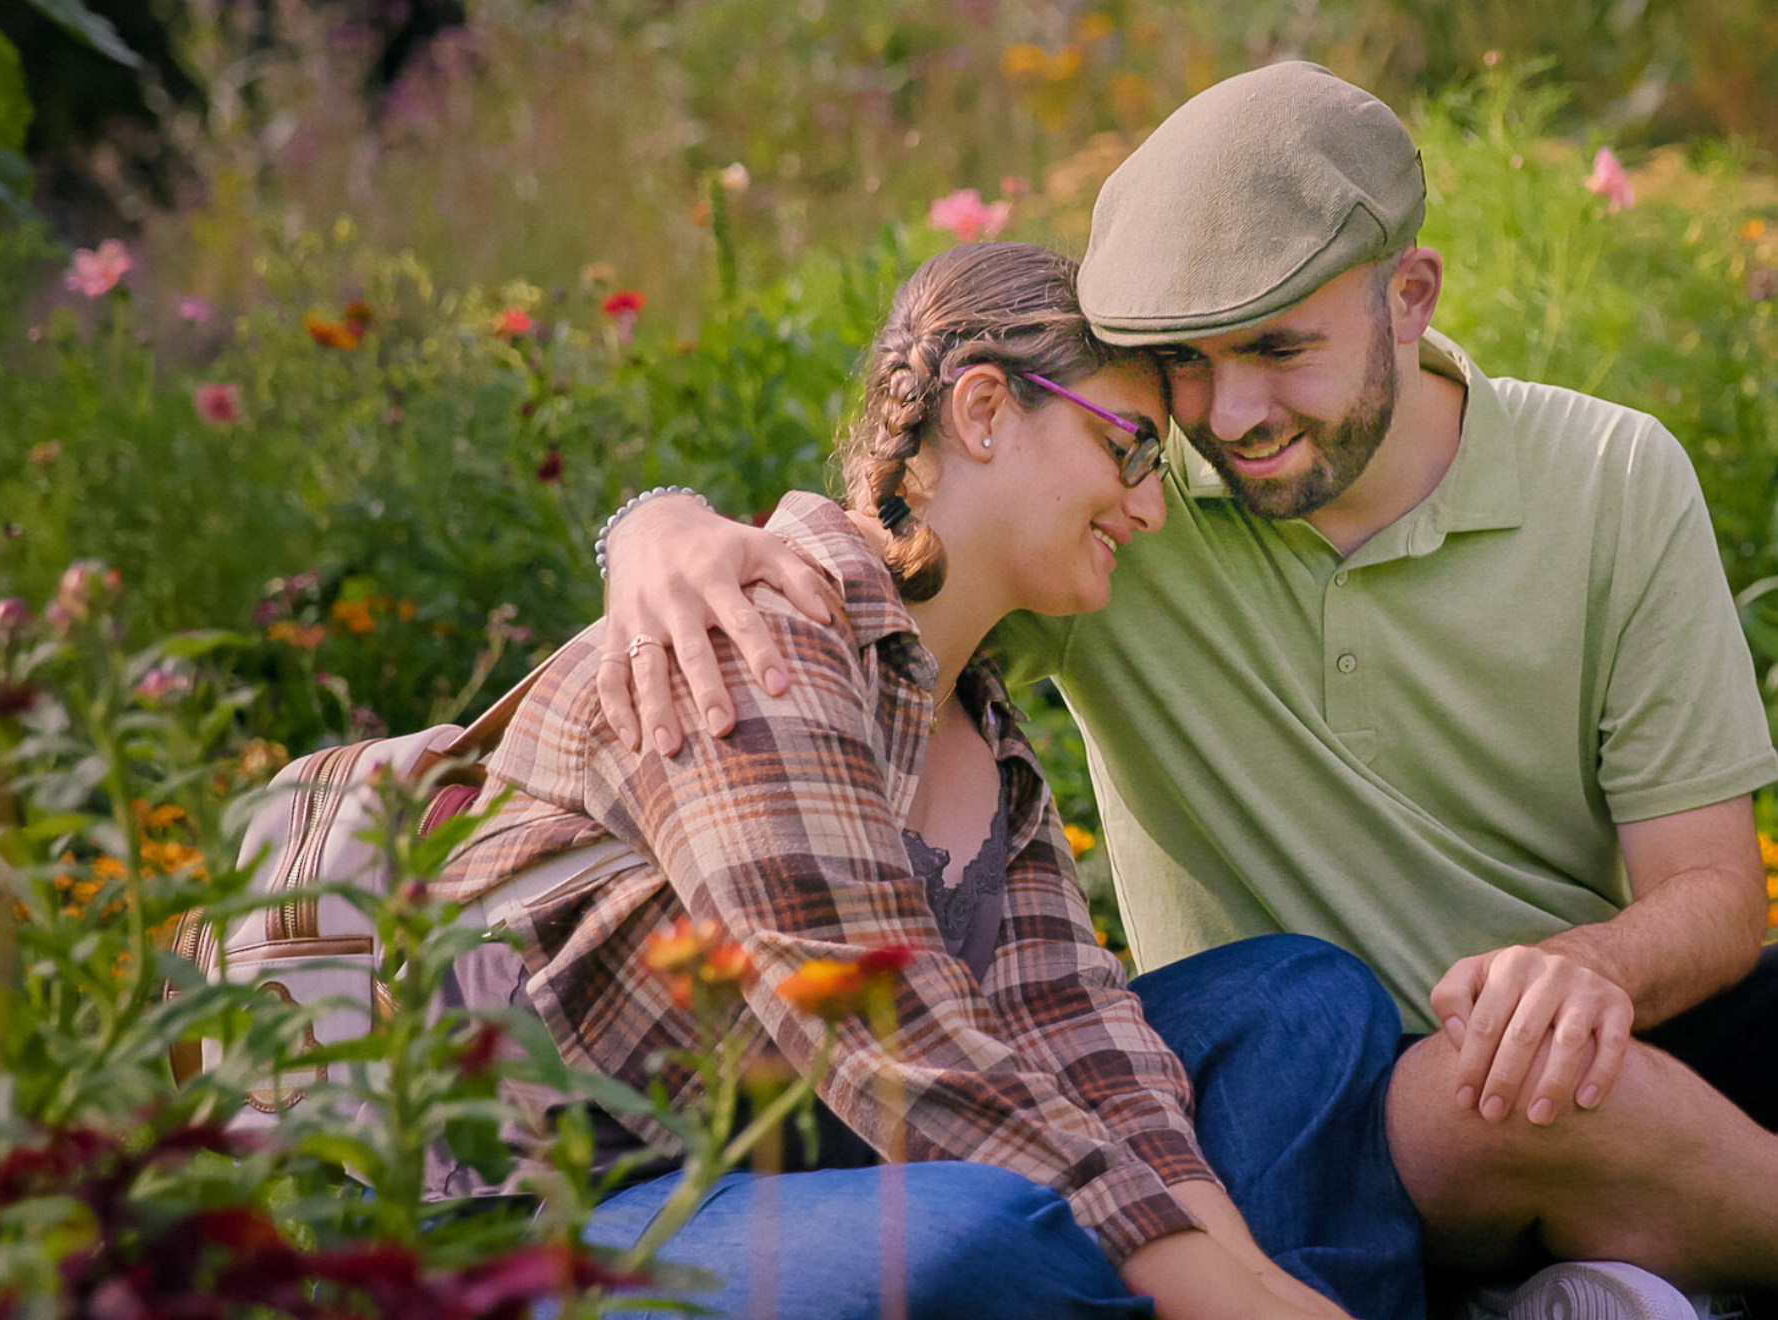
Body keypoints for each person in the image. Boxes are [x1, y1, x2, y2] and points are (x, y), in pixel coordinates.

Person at [593, 61, 1778, 1317]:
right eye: (1187, 364)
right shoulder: (1119, 513)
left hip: (1581, 1033)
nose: (1233, 416)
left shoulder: (1608, 472)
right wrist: (655, 528)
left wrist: (1589, 969)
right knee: (1469, 1072)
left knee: (1606, 1057)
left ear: (1411, 295)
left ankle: (1596, 1276)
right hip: (1331, 1090)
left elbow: (1713, 897)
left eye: (1280, 347)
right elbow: (888, 561)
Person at [437, 242, 1424, 1320]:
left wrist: (1258, 1289)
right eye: (1128, 450)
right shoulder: (756, 640)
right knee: (979, 1233)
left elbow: (1075, 1033)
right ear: (986, 410)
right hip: (582, 1202)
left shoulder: (984, 729)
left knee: (1301, 1001)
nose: (1149, 511)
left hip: (810, 1147)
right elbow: (894, 1047)